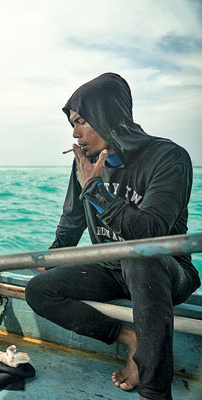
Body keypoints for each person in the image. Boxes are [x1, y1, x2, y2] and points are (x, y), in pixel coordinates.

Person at [24, 72, 200, 400]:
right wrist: (54, 254)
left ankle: (154, 391)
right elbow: (71, 221)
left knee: (141, 259)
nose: (75, 134)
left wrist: (97, 190)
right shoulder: (86, 163)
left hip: (165, 270)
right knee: (38, 291)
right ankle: (128, 338)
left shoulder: (168, 158)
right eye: (72, 125)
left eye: (81, 122)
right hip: (110, 268)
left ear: (107, 116)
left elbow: (153, 233)